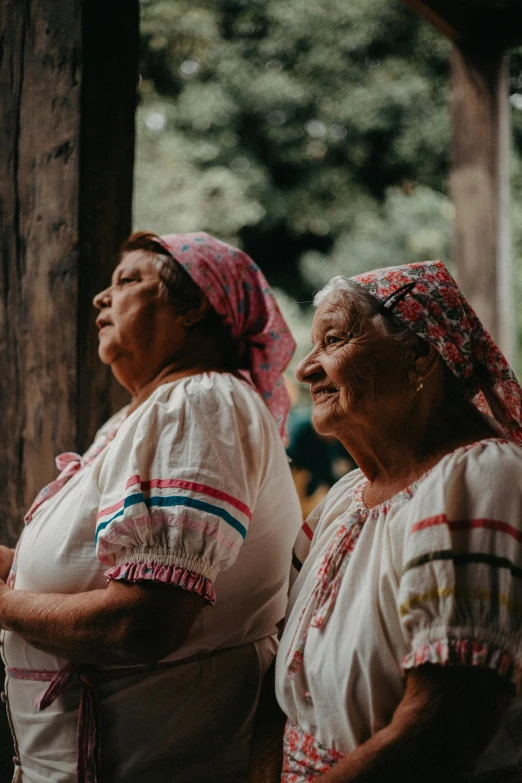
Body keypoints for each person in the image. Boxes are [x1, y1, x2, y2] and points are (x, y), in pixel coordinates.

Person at [0, 231, 302, 783]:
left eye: (127, 280)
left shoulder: (199, 405)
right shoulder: (144, 416)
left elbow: (143, 622)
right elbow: (60, 569)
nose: (100, 298)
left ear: (191, 307)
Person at [270, 261, 522, 782]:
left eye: (334, 340)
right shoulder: (347, 499)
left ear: (420, 357)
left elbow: (444, 724)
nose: (306, 368)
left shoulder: (479, 478)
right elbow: (276, 695)